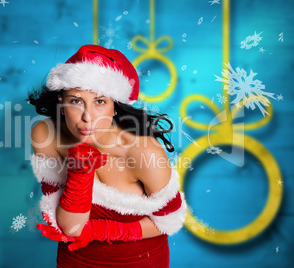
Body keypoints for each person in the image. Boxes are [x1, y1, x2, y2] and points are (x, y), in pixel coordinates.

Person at [26, 44, 187, 267]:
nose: (87, 118)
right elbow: (70, 228)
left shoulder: (143, 152)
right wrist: (79, 173)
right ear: (61, 105)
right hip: (76, 259)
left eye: (100, 102)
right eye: (75, 101)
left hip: (140, 260)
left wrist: (100, 230)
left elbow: (171, 221)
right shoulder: (45, 134)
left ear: (115, 107)